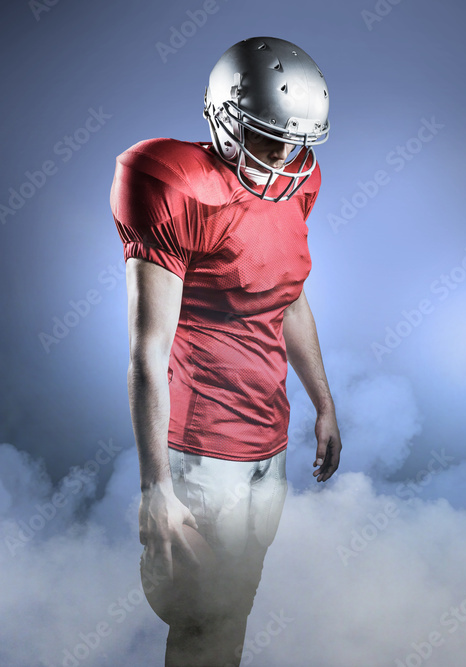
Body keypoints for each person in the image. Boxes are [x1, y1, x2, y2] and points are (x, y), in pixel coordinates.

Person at [109, 36, 342, 666]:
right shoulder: (171, 182)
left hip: (269, 434)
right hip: (202, 447)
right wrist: (155, 486)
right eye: (266, 136)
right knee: (199, 617)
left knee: (234, 605)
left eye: (292, 141)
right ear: (224, 116)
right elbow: (147, 350)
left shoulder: (298, 181)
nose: (281, 155)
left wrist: (323, 403)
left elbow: (288, 297)